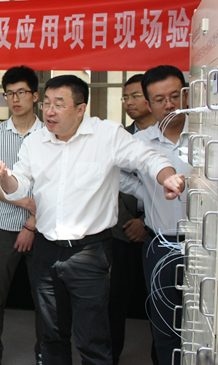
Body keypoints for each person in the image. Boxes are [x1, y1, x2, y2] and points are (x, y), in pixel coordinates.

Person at [0, 74, 185, 365]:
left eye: (59, 104)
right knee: (52, 336)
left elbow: (148, 158)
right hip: (47, 250)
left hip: (90, 252)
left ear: (81, 109)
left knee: (92, 338)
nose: (49, 111)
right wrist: (6, 177)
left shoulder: (107, 135)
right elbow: (18, 185)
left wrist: (167, 177)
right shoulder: (36, 141)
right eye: (46, 104)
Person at [121, 65, 189, 365]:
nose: (169, 105)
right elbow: (115, 173)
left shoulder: (207, 135)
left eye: (175, 96)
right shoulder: (140, 142)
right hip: (161, 244)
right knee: (166, 326)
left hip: (206, 246)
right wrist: (143, 191)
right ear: (149, 104)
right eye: (160, 100)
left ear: (186, 95)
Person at [0, 66, 44, 365]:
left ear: (35, 96)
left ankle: (44, 352)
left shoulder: (48, 134)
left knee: (44, 297)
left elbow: (54, 186)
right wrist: (26, 203)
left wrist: (32, 221)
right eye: (10, 93)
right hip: (4, 226)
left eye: (22, 92)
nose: (16, 99)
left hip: (42, 227)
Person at [109, 74, 156, 365]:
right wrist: (131, 223)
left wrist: (145, 222)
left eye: (135, 96)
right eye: (125, 97)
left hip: (159, 232)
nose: (128, 102)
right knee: (114, 300)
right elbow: (110, 185)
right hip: (122, 232)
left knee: (159, 300)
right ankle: (109, 356)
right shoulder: (119, 138)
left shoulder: (169, 137)